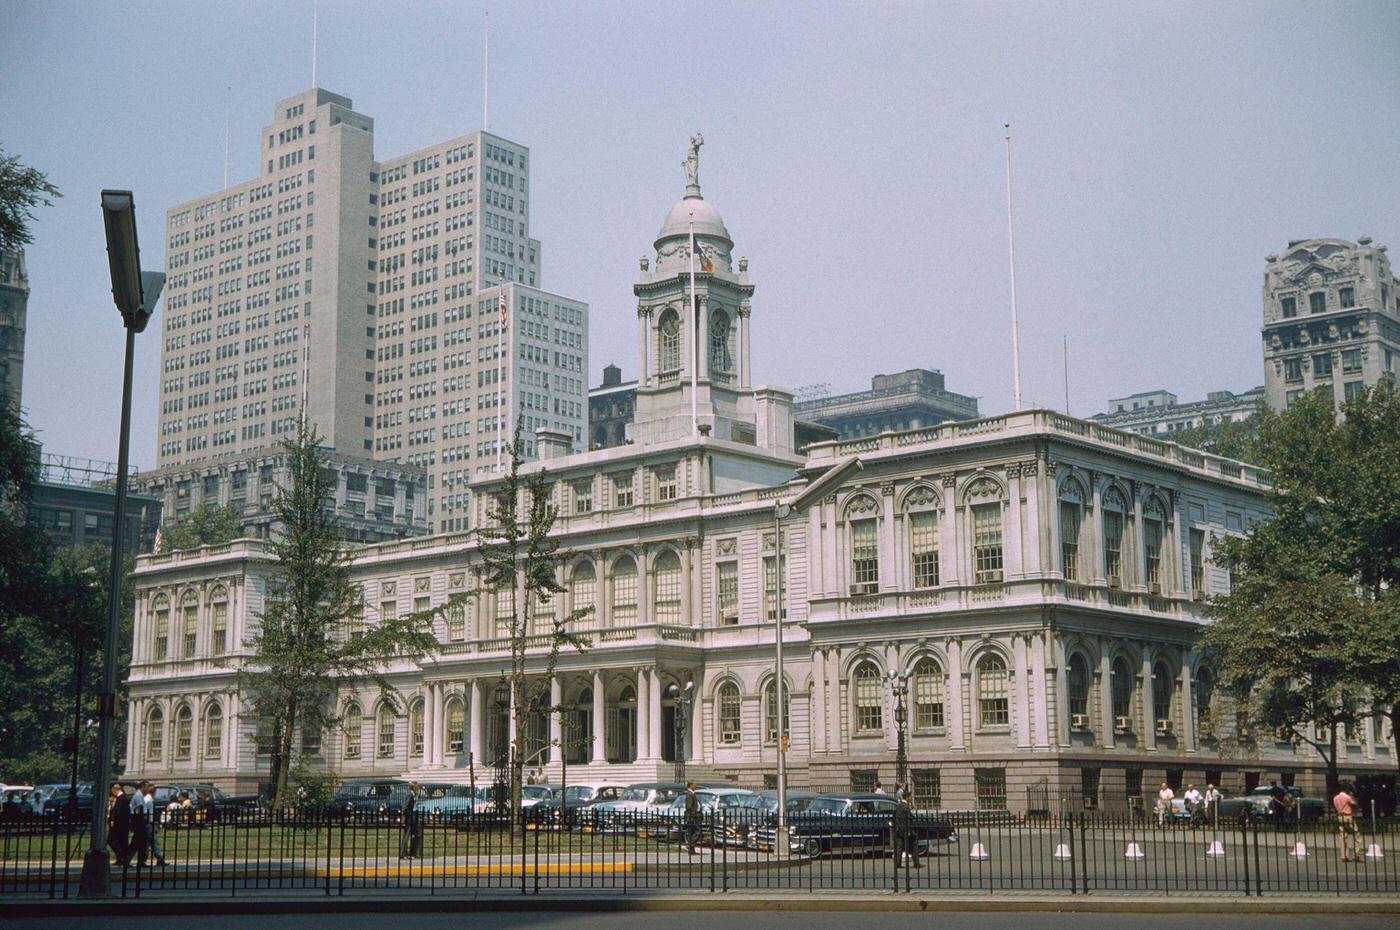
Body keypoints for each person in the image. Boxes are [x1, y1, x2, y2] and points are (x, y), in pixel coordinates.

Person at [1333, 783, 1361, 863]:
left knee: (1343, 837)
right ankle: (1357, 855)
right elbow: (1355, 805)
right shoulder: (1347, 797)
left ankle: (1344, 856)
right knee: (1357, 835)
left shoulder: (1335, 798)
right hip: (1348, 816)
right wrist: (1352, 797)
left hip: (1340, 816)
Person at [894, 789, 921, 868]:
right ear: (907, 797)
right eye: (910, 797)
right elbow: (907, 820)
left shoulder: (899, 805)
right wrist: (908, 830)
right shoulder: (905, 807)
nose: (911, 798)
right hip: (905, 830)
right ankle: (916, 862)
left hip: (899, 830)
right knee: (914, 844)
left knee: (899, 846)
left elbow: (897, 818)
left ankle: (897, 863)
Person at [107, 784, 131, 867]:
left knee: (113, 840)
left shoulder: (121, 798)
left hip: (120, 824)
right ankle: (120, 859)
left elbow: (118, 811)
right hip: (122, 824)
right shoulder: (123, 798)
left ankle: (121, 857)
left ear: (115, 790)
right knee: (121, 842)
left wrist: (113, 820)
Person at [399, 782, 422, 859]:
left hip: (414, 817)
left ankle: (413, 853)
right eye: (417, 787)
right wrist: (404, 818)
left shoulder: (415, 795)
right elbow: (404, 806)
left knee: (417, 834)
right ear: (414, 787)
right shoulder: (409, 794)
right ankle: (403, 854)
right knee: (406, 836)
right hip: (409, 818)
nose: (418, 789)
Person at [683, 781, 701, 855]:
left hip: (692, 816)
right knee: (698, 832)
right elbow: (689, 806)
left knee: (692, 832)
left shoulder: (692, 794)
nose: (696, 786)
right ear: (690, 785)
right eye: (694, 785)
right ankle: (690, 845)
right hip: (692, 817)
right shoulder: (690, 794)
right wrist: (694, 814)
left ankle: (691, 850)